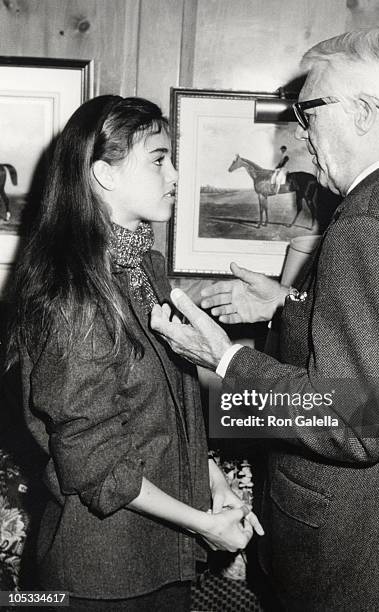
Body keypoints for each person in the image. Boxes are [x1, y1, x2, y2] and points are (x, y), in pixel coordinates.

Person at [150, 29, 379, 611]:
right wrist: (286, 305)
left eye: (309, 112)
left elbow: (354, 422)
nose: (302, 132)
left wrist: (225, 358)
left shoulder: (369, 223)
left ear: (365, 113)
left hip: (351, 546)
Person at [7, 95, 262, 611]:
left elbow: (172, 415)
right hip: (103, 575)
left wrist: (214, 485)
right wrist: (204, 524)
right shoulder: (73, 293)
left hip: (162, 559)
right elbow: (95, 462)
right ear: (105, 175)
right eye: (159, 159)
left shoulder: (145, 267)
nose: (173, 175)